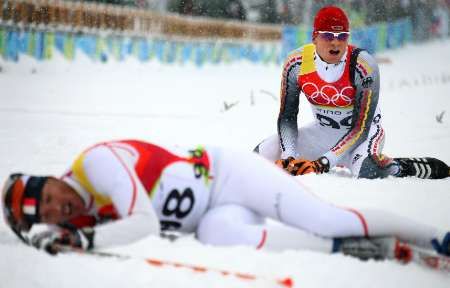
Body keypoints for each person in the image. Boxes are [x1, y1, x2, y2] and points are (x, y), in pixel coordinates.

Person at [2, 139, 449, 260]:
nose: (56, 211)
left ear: (52, 181)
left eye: (49, 201)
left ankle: (439, 237)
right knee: (217, 235)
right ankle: (348, 250)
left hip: (229, 173)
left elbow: (143, 223)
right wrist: (56, 235)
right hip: (213, 212)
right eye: (45, 215)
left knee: (327, 218)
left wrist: (81, 241)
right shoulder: (75, 214)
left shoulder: (96, 165)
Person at [253, 6, 450, 179]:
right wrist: (289, 156)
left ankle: (398, 166)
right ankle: (353, 160)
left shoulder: (363, 65)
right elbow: (287, 117)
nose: (335, 43)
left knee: (368, 171)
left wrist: (324, 162)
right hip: (323, 133)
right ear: (314, 37)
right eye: (328, 36)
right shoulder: (296, 63)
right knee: (259, 156)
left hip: (361, 136)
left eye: (342, 36)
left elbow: (360, 128)